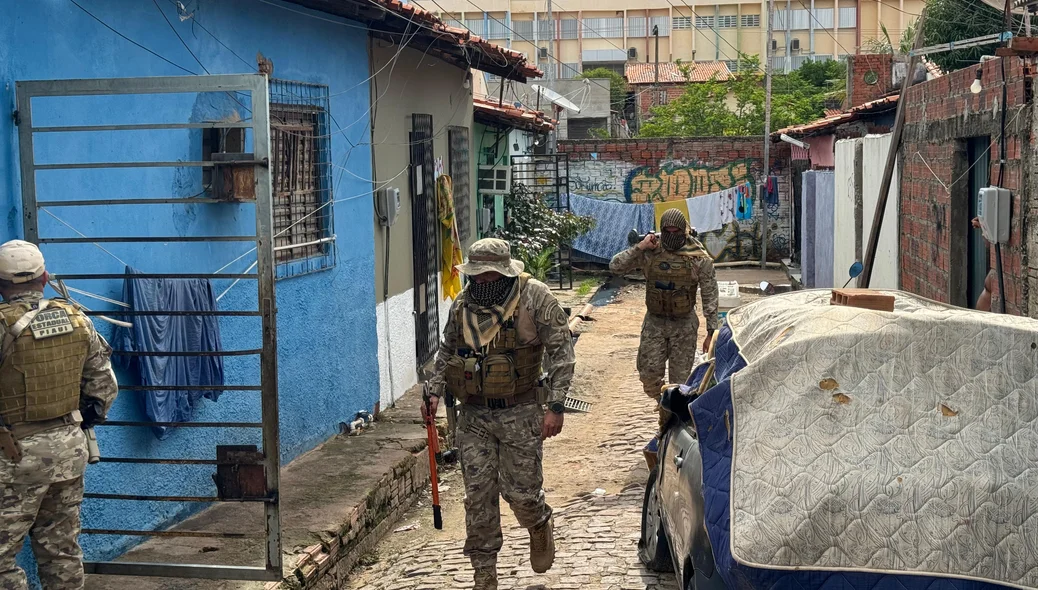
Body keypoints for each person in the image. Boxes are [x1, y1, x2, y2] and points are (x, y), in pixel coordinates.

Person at [424, 238, 574, 590]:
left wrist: (555, 405)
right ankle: (484, 576)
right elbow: (447, 350)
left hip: (520, 410)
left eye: (491, 277)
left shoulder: (534, 298)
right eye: (478, 278)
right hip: (474, 415)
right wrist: (433, 391)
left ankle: (538, 523)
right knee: (478, 495)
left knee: (521, 494)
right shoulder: (463, 305)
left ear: (505, 273)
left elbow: (562, 353)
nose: (483, 284)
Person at [0, 240, 118, 590]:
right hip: (69, 450)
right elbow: (103, 389)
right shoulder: (76, 318)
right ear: (45, 277)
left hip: (13, 457)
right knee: (61, 549)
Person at [610, 208, 719, 427]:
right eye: (666, 231)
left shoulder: (698, 257)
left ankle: (671, 425)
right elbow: (615, 266)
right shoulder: (651, 252)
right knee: (649, 377)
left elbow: (710, 293)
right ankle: (664, 404)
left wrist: (711, 331)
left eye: (675, 231)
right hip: (655, 324)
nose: (671, 235)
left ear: (684, 231)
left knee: (680, 385)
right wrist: (640, 247)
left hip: (684, 326)